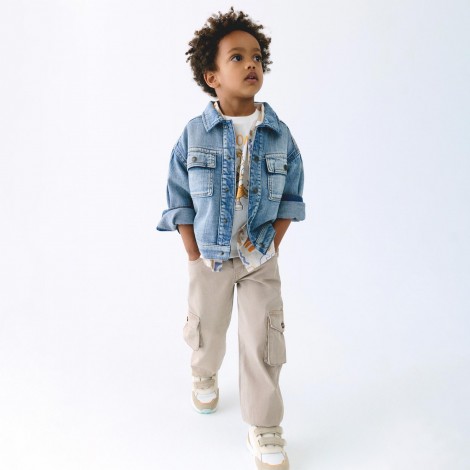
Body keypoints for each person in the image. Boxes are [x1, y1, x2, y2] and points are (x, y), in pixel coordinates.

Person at [157, 8, 305, 470]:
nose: (251, 64)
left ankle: (264, 425)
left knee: (263, 340)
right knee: (209, 331)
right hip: (210, 257)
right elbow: (178, 196)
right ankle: (204, 373)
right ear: (212, 76)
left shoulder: (279, 135)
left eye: (256, 56)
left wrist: (271, 245)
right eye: (237, 57)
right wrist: (192, 251)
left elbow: (292, 199)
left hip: (259, 258)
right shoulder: (195, 133)